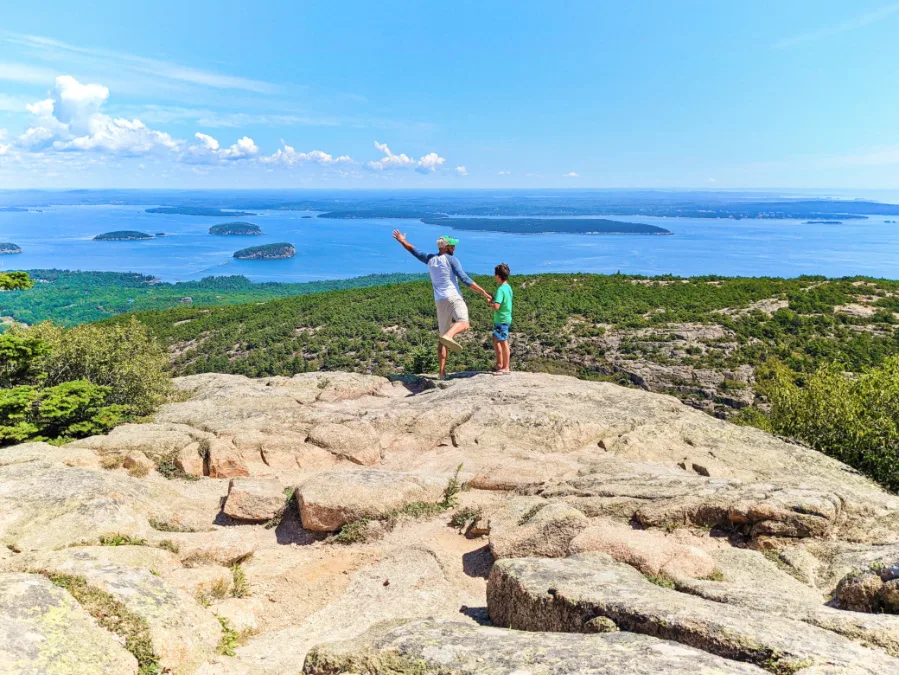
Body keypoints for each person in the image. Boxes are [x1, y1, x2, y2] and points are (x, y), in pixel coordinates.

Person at [392, 230, 493, 379]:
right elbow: (465, 279)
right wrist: (483, 292)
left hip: (440, 301)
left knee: (442, 339)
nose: (454, 248)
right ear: (445, 247)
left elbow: (413, 249)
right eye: (452, 246)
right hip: (454, 297)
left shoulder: (430, 259)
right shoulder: (451, 260)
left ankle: (441, 373)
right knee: (464, 323)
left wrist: (401, 240)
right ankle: (449, 335)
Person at [490, 263, 513, 375]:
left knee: (504, 343)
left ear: (498, 276)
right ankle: (499, 364)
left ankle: (505, 367)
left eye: (495, 275)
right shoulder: (508, 288)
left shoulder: (500, 290)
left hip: (501, 320)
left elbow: (496, 307)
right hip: (505, 318)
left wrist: (490, 303)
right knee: (496, 340)